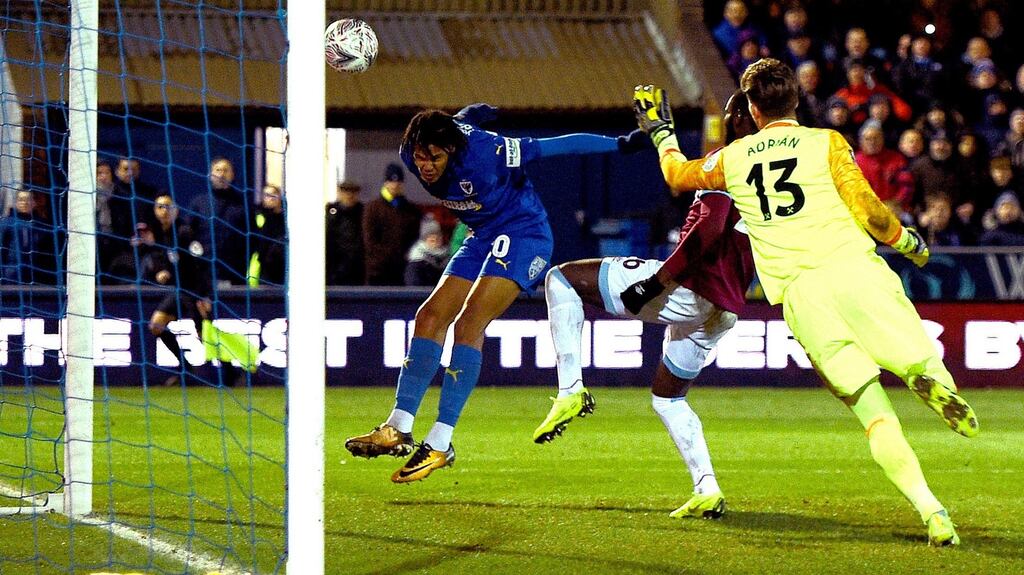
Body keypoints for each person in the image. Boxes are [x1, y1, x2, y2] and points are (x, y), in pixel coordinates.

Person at [632, 58, 979, 546]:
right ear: (795, 101)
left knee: (870, 408)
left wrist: (661, 132)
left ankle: (932, 510)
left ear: (752, 108)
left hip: (801, 294)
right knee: (916, 354)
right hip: (854, 271)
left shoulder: (734, 157)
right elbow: (868, 211)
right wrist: (907, 243)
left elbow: (677, 174)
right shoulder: (827, 143)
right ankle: (928, 378)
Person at [344, 102, 649, 483]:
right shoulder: (415, 149)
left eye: (433, 158)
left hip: (525, 234)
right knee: (429, 317)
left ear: (451, 150)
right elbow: (458, 123)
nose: (424, 166)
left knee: (470, 321)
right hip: (482, 235)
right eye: (420, 158)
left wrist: (622, 144)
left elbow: (557, 146)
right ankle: (398, 427)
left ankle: (440, 442)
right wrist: (472, 112)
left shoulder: (488, 151)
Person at [534, 91, 757, 520]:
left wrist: (656, 282)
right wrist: (663, 137)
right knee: (668, 398)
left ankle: (569, 391)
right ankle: (706, 487)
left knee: (561, 278)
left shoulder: (728, 162)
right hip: (725, 305)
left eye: (730, 112)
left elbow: (706, 231)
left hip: (689, 287)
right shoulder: (767, 171)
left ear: (738, 118)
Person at [138, 195, 212, 387]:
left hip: (194, 290)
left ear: (176, 210)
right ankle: (186, 369)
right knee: (156, 325)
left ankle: (229, 374)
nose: (164, 211)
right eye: (160, 207)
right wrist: (163, 271)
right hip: (180, 289)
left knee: (205, 335)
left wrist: (204, 295)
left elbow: (201, 264)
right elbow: (168, 260)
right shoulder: (161, 233)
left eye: (168, 207)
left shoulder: (184, 231)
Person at [187, 157, 249, 286]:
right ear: (210, 175)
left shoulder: (243, 204)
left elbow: (252, 237)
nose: (221, 174)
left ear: (232, 175)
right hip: (203, 273)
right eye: (218, 170)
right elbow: (187, 234)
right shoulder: (198, 203)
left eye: (226, 170)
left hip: (235, 273)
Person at [362, 163, 421, 286]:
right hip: (377, 270)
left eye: (399, 182)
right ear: (385, 182)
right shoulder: (373, 208)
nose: (395, 185)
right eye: (391, 181)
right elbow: (369, 239)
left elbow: (414, 236)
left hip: (401, 269)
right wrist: (382, 258)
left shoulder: (411, 210)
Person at [325, 180, 365, 286]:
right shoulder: (331, 211)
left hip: (356, 267)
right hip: (334, 265)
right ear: (339, 193)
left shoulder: (363, 212)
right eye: (345, 192)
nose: (349, 195)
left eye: (352, 192)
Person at [248, 184, 286, 286]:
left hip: (283, 266)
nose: (271, 198)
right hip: (263, 266)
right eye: (267, 195)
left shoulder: (286, 219)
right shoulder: (256, 217)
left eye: (274, 195)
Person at [404, 217, 450, 287]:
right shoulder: (416, 263)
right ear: (424, 240)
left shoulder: (448, 259)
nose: (436, 241)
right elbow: (413, 286)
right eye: (432, 239)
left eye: (438, 237)